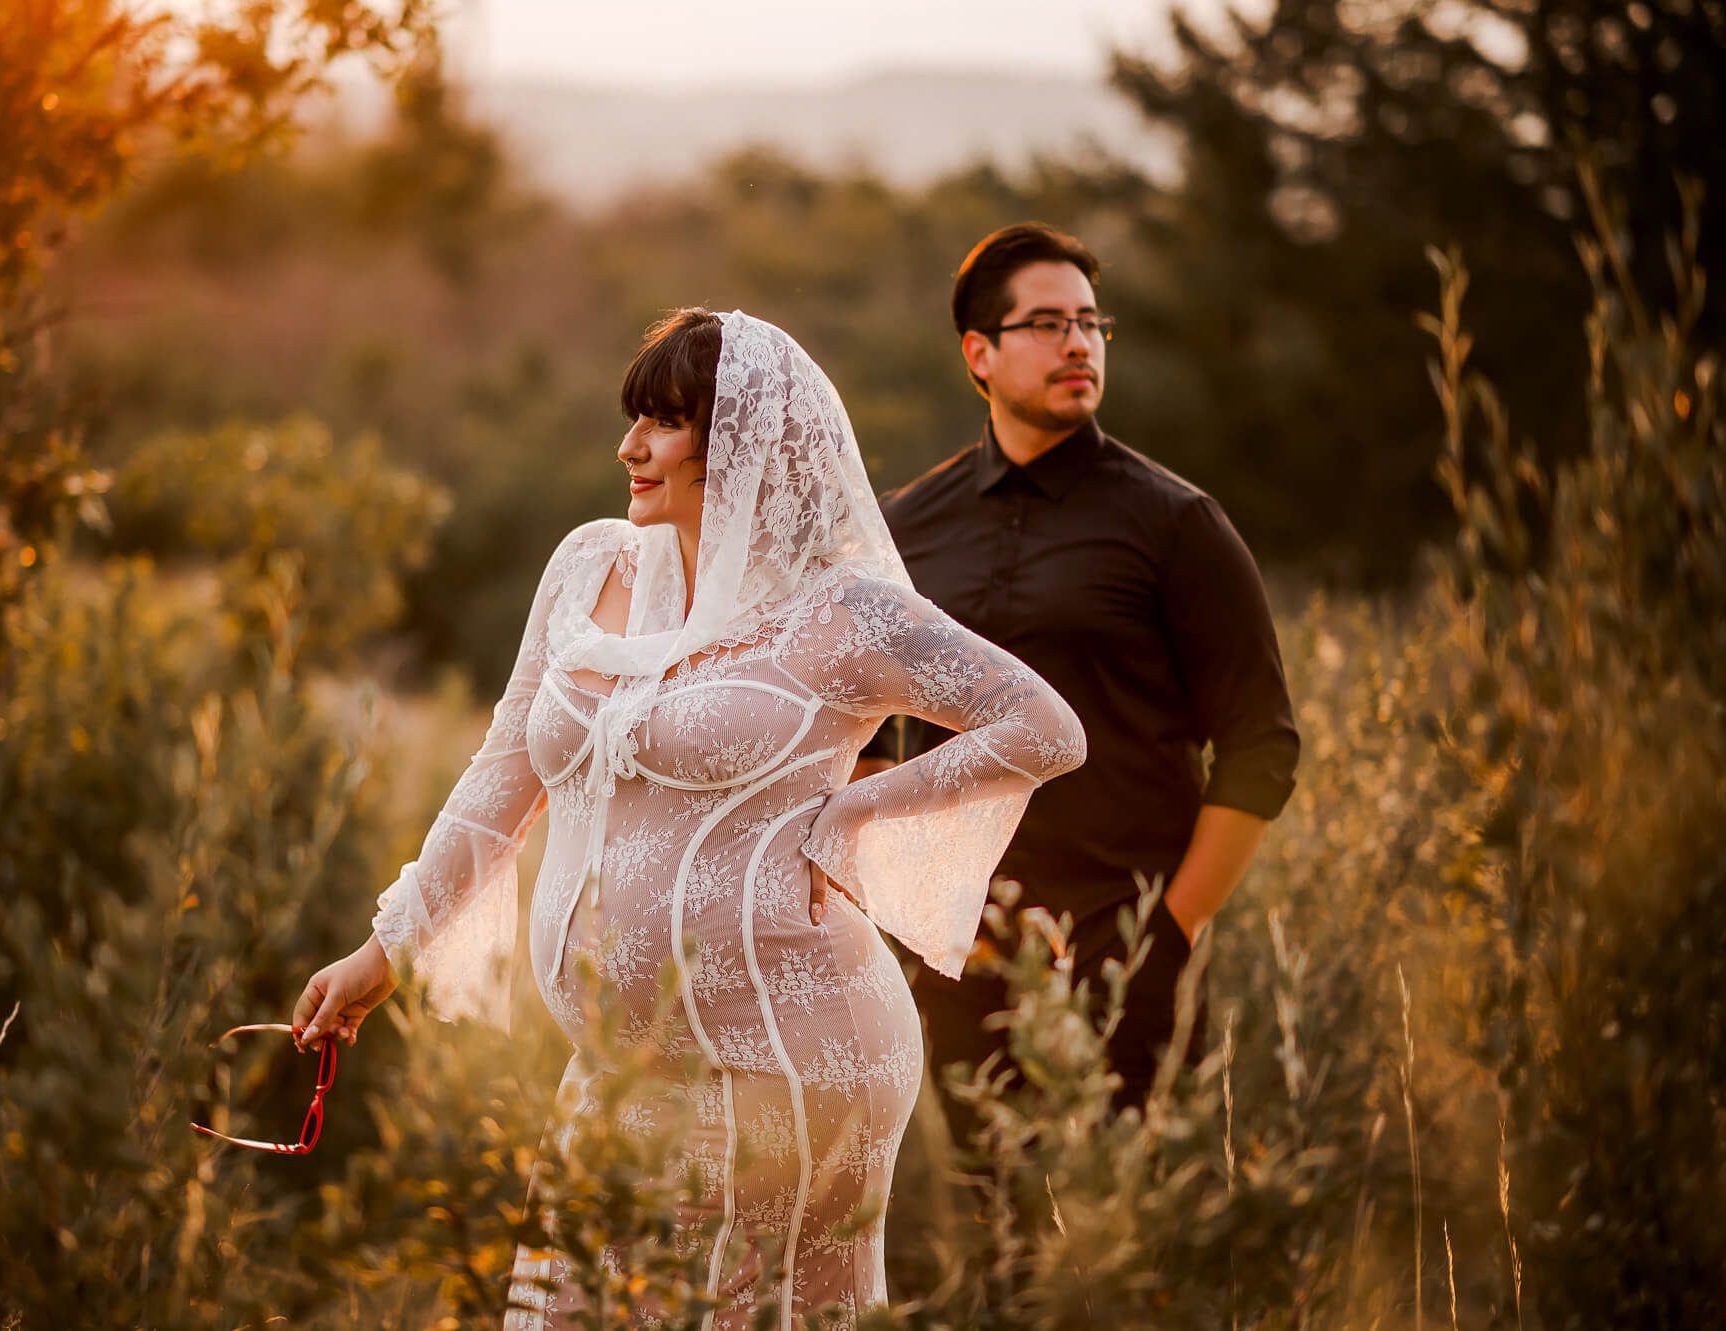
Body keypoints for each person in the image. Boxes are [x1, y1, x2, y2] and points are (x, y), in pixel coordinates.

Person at [291, 309, 1085, 1326]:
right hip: (620, 1066)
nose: (629, 447)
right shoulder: (589, 566)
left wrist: (848, 817)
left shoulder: (841, 612)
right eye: (634, 419)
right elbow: (501, 773)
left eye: (662, 424)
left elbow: (1039, 723)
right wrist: (386, 946)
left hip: (796, 1053)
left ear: (743, 443)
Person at [863, 223, 1300, 1134]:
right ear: (980, 353)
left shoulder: (1178, 525)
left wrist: (1170, 935)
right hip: (958, 958)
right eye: (1050, 322)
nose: (1078, 343)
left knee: (1125, 1245)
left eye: (1093, 324)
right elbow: (862, 740)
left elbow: (1262, 744)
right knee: (1002, 1244)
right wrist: (907, 920)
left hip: (1126, 956)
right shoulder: (905, 527)